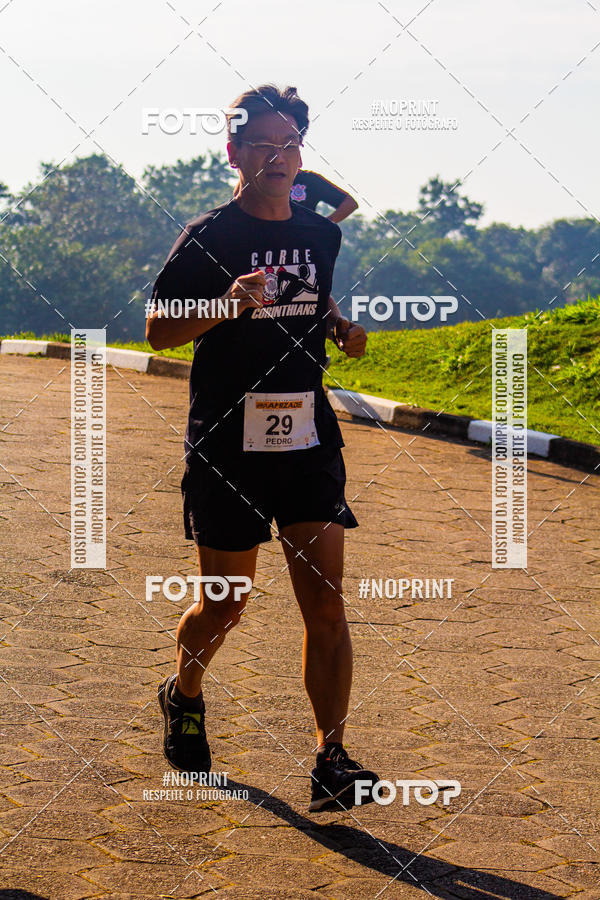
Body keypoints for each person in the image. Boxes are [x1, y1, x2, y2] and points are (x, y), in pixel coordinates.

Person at [146, 84, 379, 813]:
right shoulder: (209, 236)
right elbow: (158, 330)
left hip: (305, 433)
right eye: (262, 145)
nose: (277, 158)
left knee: (328, 608)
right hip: (228, 445)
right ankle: (183, 693)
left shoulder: (321, 233)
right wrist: (226, 304)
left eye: (289, 144)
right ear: (234, 154)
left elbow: (312, 295)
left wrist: (338, 326)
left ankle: (331, 759)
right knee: (225, 604)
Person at [290, 168, 358, 223]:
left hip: (301, 236)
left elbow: (350, 203)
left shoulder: (310, 180)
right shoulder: (279, 180)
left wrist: (323, 225)